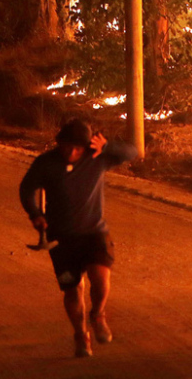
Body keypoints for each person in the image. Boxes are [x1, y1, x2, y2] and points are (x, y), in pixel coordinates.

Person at [18, 119, 139, 358]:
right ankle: (80, 334)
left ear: (87, 146)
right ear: (59, 143)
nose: (72, 152)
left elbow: (132, 152)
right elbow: (26, 189)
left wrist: (107, 146)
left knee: (101, 278)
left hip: (94, 231)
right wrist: (35, 214)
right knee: (72, 290)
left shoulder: (98, 157)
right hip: (61, 238)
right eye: (67, 146)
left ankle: (98, 314)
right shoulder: (46, 163)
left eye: (78, 148)